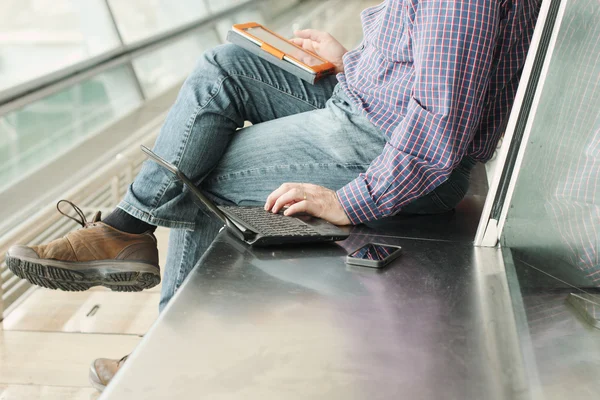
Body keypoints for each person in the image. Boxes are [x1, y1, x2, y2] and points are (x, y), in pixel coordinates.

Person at [5, 0, 541, 391]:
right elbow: (429, 69)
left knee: (201, 174)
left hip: (383, 146)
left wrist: (354, 201)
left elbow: (438, 128)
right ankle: (126, 230)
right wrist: (353, 60)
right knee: (223, 68)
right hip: (364, 105)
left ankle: (166, 353)